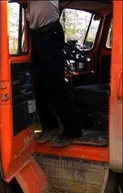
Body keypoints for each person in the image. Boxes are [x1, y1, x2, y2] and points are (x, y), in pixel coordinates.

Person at [27, 0, 82, 147]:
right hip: (37, 36)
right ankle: (49, 125)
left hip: (50, 33)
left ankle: (72, 130)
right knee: (37, 85)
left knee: (56, 84)